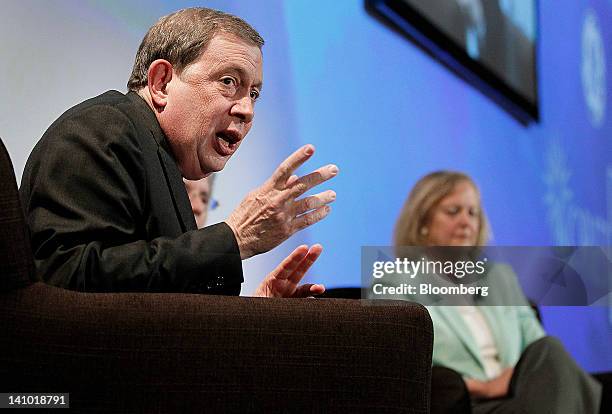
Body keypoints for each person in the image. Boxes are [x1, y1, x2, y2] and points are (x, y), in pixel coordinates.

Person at [19, 8, 337, 298]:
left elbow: (155, 298)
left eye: (254, 93)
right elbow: (66, 278)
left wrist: (255, 308)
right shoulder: (104, 130)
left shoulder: (158, 155)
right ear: (161, 82)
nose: (247, 110)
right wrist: (235, 238)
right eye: (229, 82)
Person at [379, 171, 601, 413]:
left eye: (473, 213)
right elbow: (401, 368)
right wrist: (481, 388)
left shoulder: (500, 278)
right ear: (422, 222)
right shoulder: (395, 281)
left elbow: (538, 348)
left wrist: (517, 380)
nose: (466, 221)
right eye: (453, 211)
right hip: (468, 406)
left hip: (525, 397)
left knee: (551, 349)